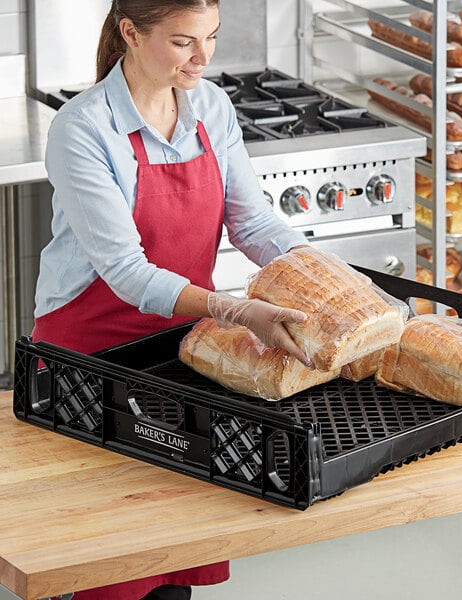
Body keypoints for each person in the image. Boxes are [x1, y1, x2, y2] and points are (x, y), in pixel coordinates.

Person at [32, 1, 312, 598]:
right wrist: (236, 309)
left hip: (180, 357)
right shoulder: (84, 127)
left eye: (211, 37)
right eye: (184, 42)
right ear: (130, 32)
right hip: (91, 362)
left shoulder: (212, 106)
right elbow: (128, 273)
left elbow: (253, 224)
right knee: (105, 565)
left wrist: (326, 274)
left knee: (173, 561)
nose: (204, 57)